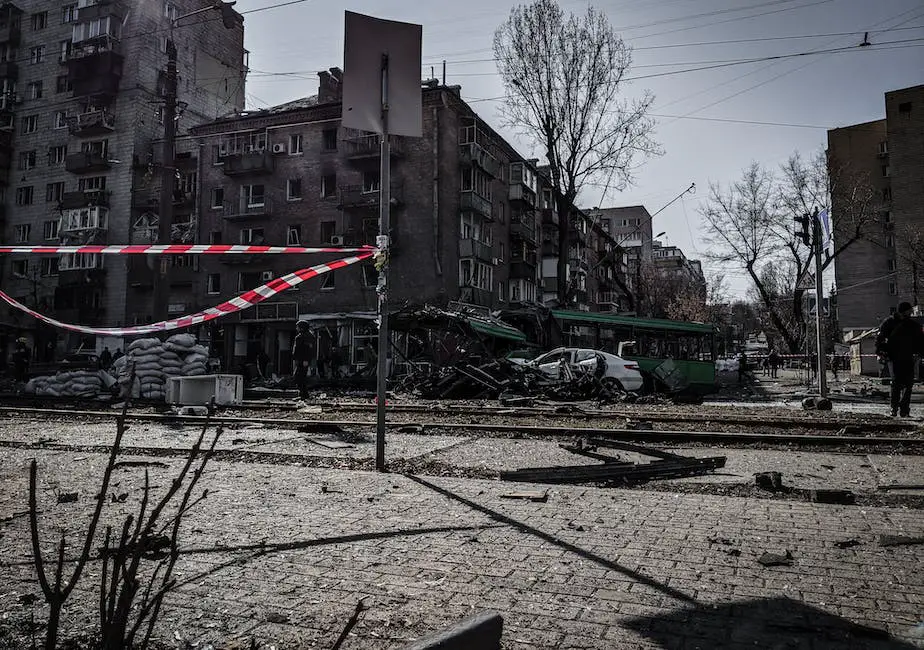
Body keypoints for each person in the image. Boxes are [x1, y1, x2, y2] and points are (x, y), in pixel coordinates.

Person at [876, 301, 924, 417]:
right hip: (894, 357)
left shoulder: (913, 325)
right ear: (903, 311)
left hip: (909, 357)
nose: (911, 312)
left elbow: (921, 341)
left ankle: (904, 410)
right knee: (896, 383)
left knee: (908, 384)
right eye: (909, 310)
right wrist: (881, 353)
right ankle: (894, 407)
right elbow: (880, 339)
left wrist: (920, 354)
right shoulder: (889, 323)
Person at [292, 320, 315, 399]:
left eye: (298, 327)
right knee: (301, 377)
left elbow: (307, 349)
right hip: (302, 359)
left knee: (299, 377)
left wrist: (305, 359)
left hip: (302, 360)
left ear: (302, 328)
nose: (296, 328)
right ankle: (304, 394)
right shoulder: (307, 336)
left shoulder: (304, 337)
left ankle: (302, 394)